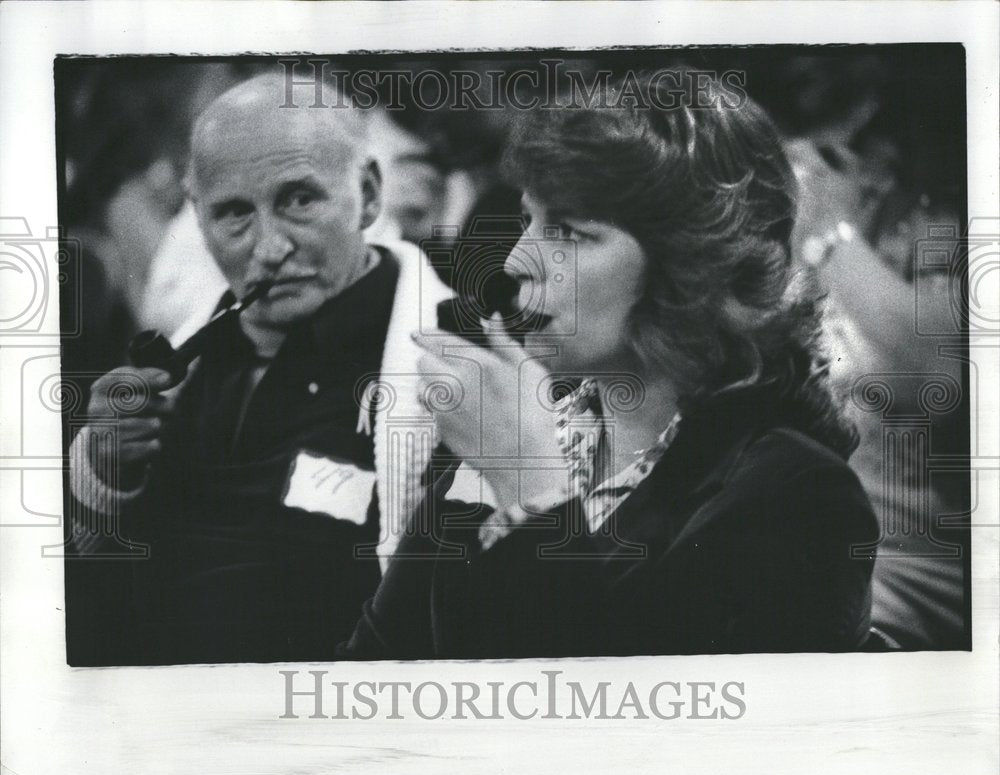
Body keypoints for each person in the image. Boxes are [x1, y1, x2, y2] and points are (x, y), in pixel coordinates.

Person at [340, 72, 880, 659]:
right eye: (529, 221)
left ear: (688, 268)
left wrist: (531, 490)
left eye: (568, 232)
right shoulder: (526, 422)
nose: (519, 260)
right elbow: (376, 659)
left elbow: (616, 725)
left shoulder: (800, 497)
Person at [66, 72, 451, 665]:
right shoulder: (184, 360)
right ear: (198, 219)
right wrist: (100, 473)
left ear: (369, 194)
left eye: (299, 200)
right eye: (235, 214)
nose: (269, 249)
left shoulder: (454, 368)